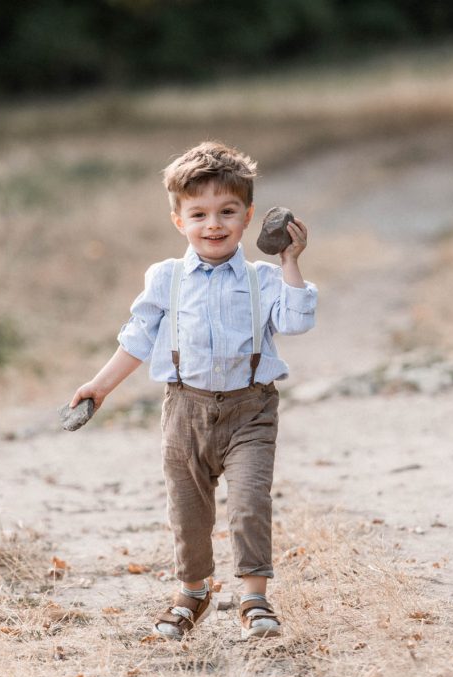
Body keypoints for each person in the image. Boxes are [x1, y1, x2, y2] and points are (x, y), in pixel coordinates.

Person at [69, 140, 317, 640]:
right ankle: (193, 592)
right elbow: (137, 339)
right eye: (199, 214)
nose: (214, 224)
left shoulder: (264, 279)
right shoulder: (167, 278)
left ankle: (254, 599)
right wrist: (100, 385)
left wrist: (291, 261)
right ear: (178, 220)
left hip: (251, 410)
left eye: (227, 212)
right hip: (185, 409)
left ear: (248, 217)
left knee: (249, 503)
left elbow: (296, 322)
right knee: (188, 510)